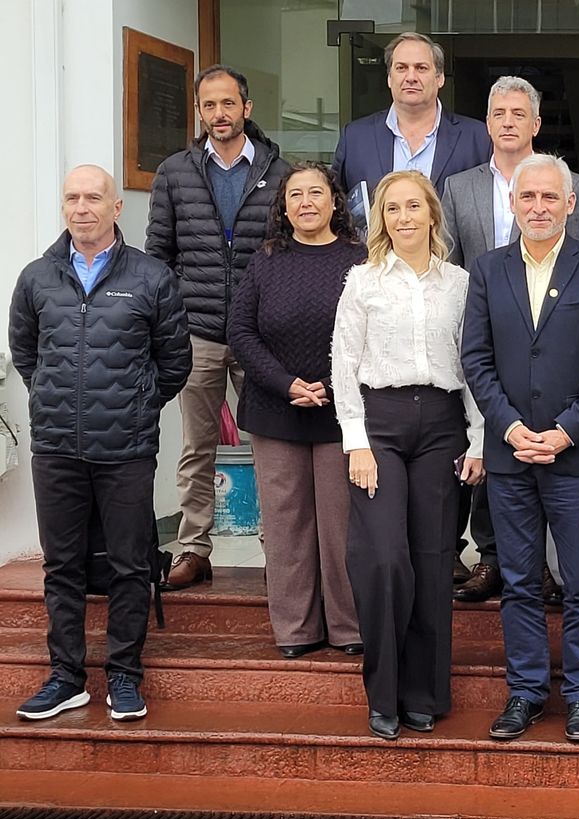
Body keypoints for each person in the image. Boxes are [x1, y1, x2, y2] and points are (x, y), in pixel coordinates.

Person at [9, 165, 191, 721]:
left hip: (126, 450)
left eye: (94, 197)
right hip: (58, 447)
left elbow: (174, 362)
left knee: (130, 564)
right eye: (72, 198)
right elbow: (26, 354)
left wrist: (132, 406)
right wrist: (56, 400)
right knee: (61, 564)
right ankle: (66, 676)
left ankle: (125, 676)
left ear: (117, 208)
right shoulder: (37, 277)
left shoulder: (151, 277)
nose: (81, 207)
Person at [461, 154, 579, 744]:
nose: (537, 207)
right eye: (527, 197)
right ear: (512, 202)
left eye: (549, 198)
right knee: (520, 581)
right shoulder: (486, 270)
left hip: (575, 455)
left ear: (570, 203)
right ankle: (527, 692)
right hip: (510, 456)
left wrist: (564, 431)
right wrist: (506, 428)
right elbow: (475, 360)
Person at [331, 170, 485, 740]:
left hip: (443, 426)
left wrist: (479, 437)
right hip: (381, 426)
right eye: (391, 208)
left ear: (431, 215)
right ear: (382, 219)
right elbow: (343, 363)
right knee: (385, 558)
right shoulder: (362, 280)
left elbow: (473, 365)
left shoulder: (460, 283)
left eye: (412, 207)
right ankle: (384, 692)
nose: (403, 217)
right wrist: (356, 442)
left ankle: (424, 694)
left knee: (430, 560)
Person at [441, 75, 579, 603]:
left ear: (535, 123)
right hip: (489, 342)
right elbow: (451, 265)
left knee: (557, 483)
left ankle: (545, 565)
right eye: (498, 114)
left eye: (517, 114)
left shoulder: (572, 185)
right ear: (487, 124)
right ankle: (491, 557)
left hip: (557, 352)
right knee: (494, 451)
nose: (507, 122)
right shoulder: (458, 187)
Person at [146, 64, 290, 590]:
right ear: (200, 111)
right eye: (209, 105)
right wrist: (167, 326)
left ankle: (280, 548)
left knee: (272, 446)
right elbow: (158, 256)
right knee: (196, 446)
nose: (219, 114)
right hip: (198, 330)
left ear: (246, 109)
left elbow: (289, 254)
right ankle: (193, 548)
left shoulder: (280, 173)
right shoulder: (175, 172)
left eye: (228, 104)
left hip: (262, 336)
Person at [227, 162, 366, 659]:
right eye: (295, 195)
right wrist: (287, 385)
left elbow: (372, 331)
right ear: (283, 207)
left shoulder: (361, 259)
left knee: (341, 525)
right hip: (275, 409)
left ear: (335, 201)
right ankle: (295, 629)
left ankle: (348, 627)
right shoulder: (266, 260)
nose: (306, 202)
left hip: (340, 411)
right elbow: (240, 332)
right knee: (286, 525)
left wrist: (329, 386)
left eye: (316, 192)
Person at [333, 32, 491, 198]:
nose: (410, 77)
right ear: (389, 78)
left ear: (440, 78)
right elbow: (336, 207)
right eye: (401, 68)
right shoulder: (354, 138)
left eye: (421, 68)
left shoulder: (478, 139)